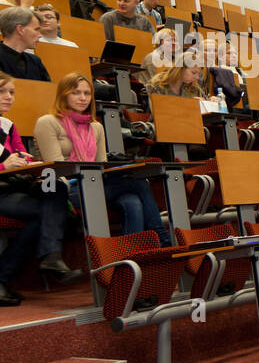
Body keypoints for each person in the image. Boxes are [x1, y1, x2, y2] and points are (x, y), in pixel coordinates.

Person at [34, 73, 169, 245]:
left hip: (94, 183)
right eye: (76, 93)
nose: (83, 98)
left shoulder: (96, 127)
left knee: (132, 201)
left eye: (87, 93)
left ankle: (128, 257)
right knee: (138, 183)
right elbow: (56, 169)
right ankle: (163, 238)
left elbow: (101, 166)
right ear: (63, 94)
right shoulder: (48, 122)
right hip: (62, 190)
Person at [0, 71, 83, 305]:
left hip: (16, 187)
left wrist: (29, 162)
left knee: (55, 188)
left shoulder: (8, 125)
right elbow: (8, 161)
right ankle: (48, 257)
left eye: (12, 92)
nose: (9, 97)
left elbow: (21, 156)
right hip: (2, 191)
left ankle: (49, 256)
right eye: (2, 92)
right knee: (56, 213)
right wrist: (3, 165)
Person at [0, 8, 51, 81]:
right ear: (20, 30)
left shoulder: (35, 61)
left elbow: (47, 89)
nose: (40, 35)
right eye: (36, 29)